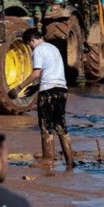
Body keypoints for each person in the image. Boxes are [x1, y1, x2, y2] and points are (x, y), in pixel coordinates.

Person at [23, 27, 74, 170]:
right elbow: (51, 72)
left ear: (32, 41)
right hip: (62, 90)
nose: (30, 47)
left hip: (48, 92)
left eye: (29, 44)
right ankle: (70, 161)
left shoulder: (38, 50)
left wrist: (20, 87)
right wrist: (35, 87)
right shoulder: (53, 48)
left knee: (46, 127)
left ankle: (47, 160)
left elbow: (36, 73)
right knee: (61, 126)